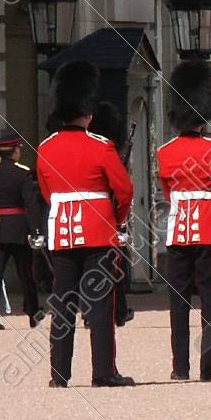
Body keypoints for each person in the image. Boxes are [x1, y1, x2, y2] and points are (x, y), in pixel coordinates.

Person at [36, 60, 135, 387]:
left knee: (62, 305)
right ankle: (104, 372)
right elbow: (124, 190)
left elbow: (48, 194)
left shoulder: (46, 148)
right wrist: (115, 221)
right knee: (101, 307)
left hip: (63, 234)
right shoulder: (101, 145)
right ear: (87, 110)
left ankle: (58, 374)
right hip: (98, 233)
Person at [158, 60, 211, 382]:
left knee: (178, 303)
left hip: (178, 232)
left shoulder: (165, 151)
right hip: (208, 230)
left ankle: (180, 367)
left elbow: (168, 193)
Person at [0, 129, 42, 330]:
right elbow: (31, 205)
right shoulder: (23, 173)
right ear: (15, 151)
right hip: (20, 229)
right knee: (26, 274)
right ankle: (33, 313)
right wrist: (36, 231)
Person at [88, 101, 135, 327]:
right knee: (114, 268)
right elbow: (123, 190)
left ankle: (93, 312)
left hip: (89, 215)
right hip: (108, 214)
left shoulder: (98, 149)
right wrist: (119, 216)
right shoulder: (108, 152)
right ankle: (118, 310)